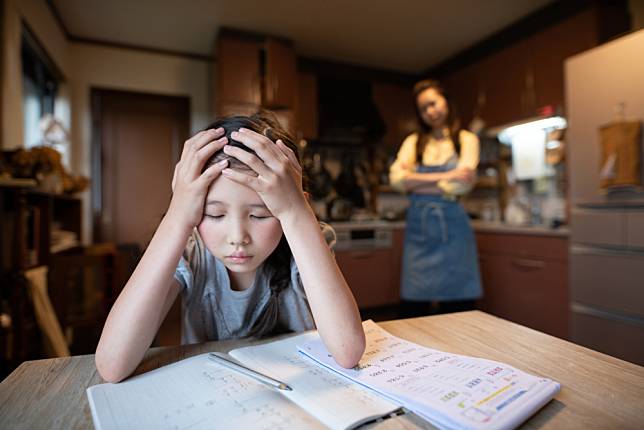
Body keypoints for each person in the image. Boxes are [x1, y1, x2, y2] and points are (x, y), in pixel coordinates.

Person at [95, 113, 365, 383]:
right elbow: (112, 365)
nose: (238, 237)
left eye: (259, 215)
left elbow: (348, 351)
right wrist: (176, 217)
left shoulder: (306, 241)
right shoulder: (192, 252)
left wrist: (297, 215)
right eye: (214, 214)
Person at [389, 79, 482, 318]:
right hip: (419, 232)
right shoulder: (413, 142)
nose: (430, 111)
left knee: (459, 309)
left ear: (446, 102)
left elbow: (462, 185)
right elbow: (396, 180)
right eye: (423, 108)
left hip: (454, 231)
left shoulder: (467, 140)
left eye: (433, 103)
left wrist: (416, 182)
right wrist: (448, 175)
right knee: (413, 308)